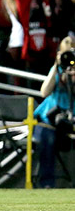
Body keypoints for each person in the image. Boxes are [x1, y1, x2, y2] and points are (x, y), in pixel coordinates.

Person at [34, 36, 75, 188]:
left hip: (69, 121)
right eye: (66, 54)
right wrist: (56, 66)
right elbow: (44, 92)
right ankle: (47, 184)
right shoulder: (57, 70)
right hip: (47, 121)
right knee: (48, 137)